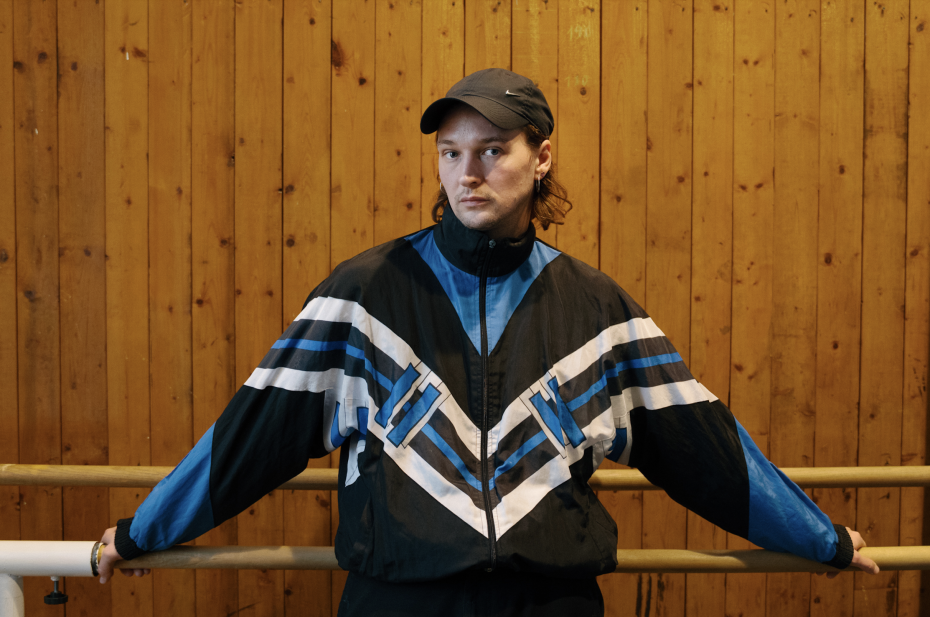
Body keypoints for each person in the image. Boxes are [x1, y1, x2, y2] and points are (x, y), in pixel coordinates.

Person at [97, 68, 878, 616]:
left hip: (550, 603)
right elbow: (249, 436)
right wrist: (141, 532)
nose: (468, 173)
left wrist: (824, 540)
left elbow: (708, 449)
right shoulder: (361, 297)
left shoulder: (598, 309)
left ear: (540, 159)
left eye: (492, 150)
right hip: (398, 600)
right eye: (452, 153)